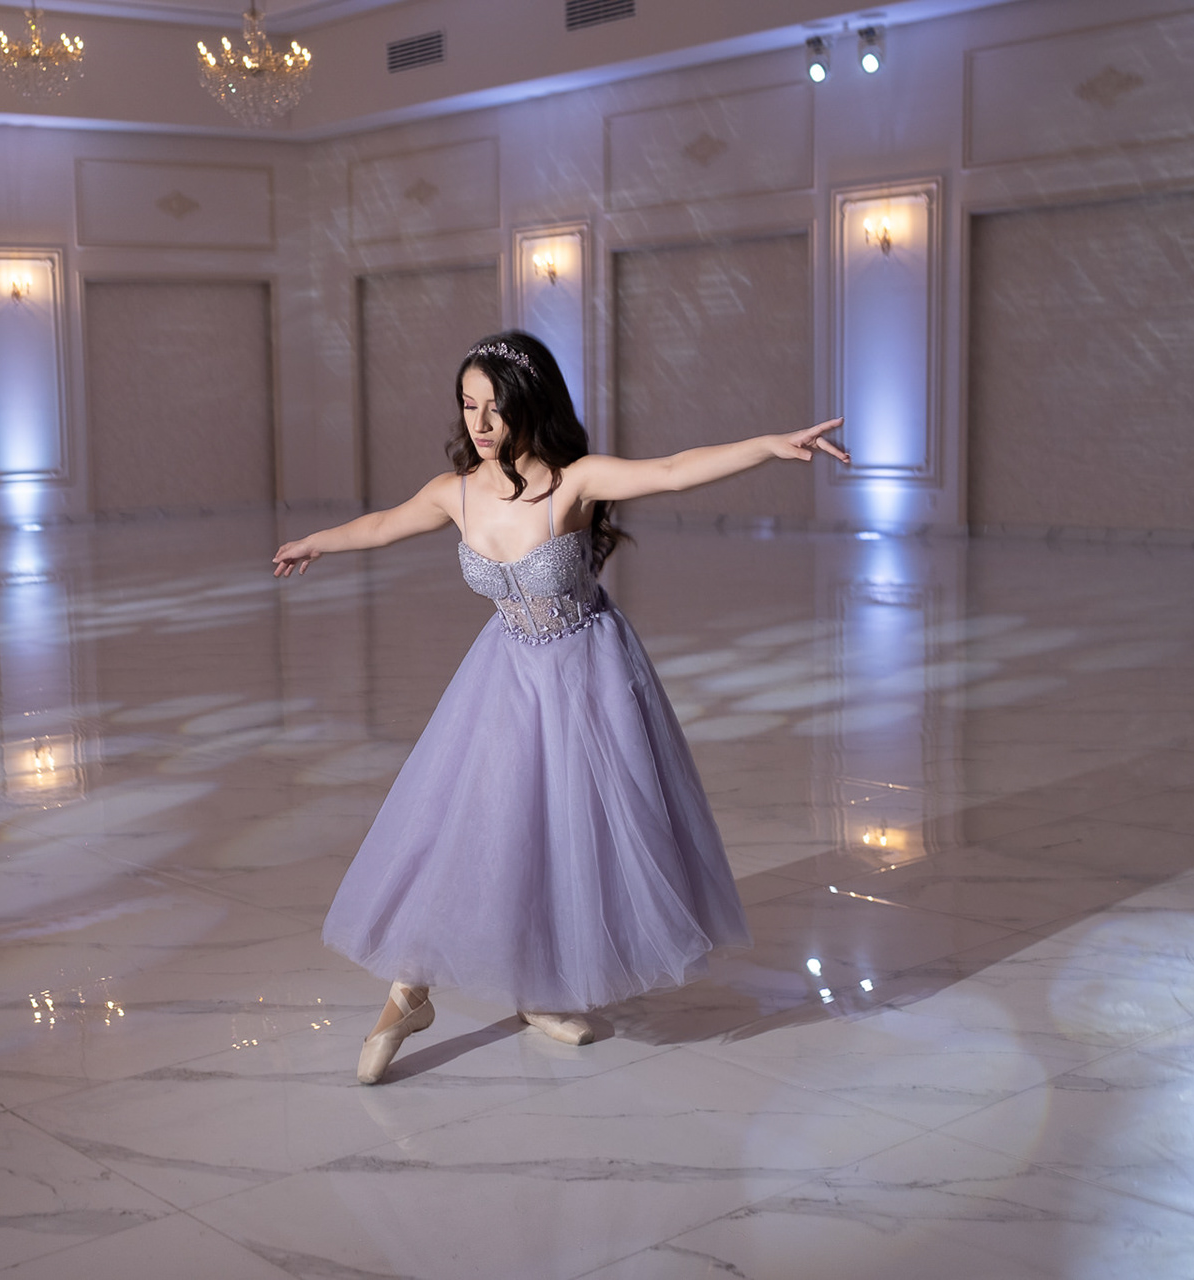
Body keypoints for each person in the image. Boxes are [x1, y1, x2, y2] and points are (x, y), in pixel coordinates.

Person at [272, 331, 847, 1084]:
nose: (480, 423)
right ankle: (409, 992)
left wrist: (770, 446)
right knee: (478, 825)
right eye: (467, 405)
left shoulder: (574, 482)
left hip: (586, 675)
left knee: (562, 835)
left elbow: (672, 471)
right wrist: (315, 541)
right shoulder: (454, 491)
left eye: (494, 406)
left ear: (528, 405)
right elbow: (382, 525)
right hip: (504, 675)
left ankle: (539, 990)